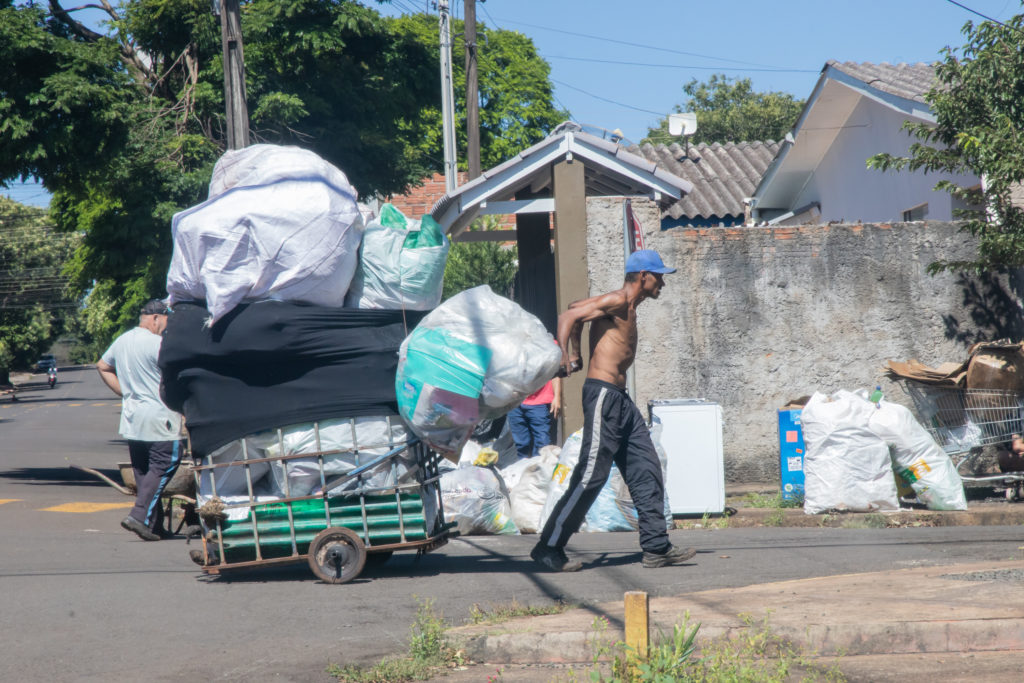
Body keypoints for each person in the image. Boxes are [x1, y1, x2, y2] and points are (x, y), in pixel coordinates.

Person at [530, 249, 696, 572]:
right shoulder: (619, 300)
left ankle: (656, 546)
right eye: (658, 275)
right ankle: (548, 547)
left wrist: (576, 350)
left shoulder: (628, 306)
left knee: (646, 466)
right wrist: (565, 356)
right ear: (644, 276)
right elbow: (568, 317)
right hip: (604, 397)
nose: (662, 281)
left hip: (620, 400)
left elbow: (576, 308)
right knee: (592, 476)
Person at [97, 299, 184, 541]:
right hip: (160, 418)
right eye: (166, 322)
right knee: (165, 463)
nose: (166, 328)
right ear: (156, 318)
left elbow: (102, 365)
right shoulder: (159, 344)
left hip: (133, 420)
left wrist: (124, 392)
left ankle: (153, 525)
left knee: (145, 473)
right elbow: (176, 380)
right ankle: (138, 515)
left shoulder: (124, 340)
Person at [508, 374, 562, 459]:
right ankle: (522, 469)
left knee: (542, 446)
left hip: (540, 401)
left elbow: (556, 371)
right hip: (515, 401)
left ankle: (539, 470)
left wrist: (557, 397)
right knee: (521, 445)